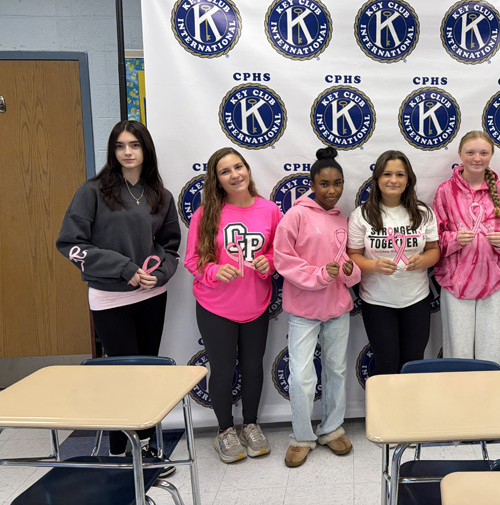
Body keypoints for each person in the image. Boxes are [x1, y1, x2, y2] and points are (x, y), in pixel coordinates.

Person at [56, 120, 181, 472]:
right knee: (121, 375)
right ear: (113, 151)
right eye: (120, 146)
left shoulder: (160, 194)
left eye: (135, 145)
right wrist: (124, 268)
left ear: (146, 150)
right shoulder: (92, 191)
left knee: (147, 373)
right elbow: (70, 244)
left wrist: (157, 275)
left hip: (151, 296)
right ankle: (119, 453)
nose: (128, 152)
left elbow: (170, 247)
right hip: (110, 296)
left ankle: (146, 448)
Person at [185, 147, 282, 464]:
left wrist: (269, 263)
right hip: (216, 306)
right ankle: (224, 431)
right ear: (217, 180)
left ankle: (251, 424)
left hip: (256, 304)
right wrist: (213, 270)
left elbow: (280, 253)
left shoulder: (269, 210)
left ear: (248, 170)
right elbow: (192, 261)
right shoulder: (206, 215)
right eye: (225, 171)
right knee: (224, 370)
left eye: (238, 166)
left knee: (253, 367)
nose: (234, 174)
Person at [273, 147, 361, 468]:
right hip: (303, 309)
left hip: (337, 308)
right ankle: (302, 435)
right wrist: (321, 274)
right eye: (324, 184)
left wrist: (352, 272)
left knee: (336, 369)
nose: (332, 190)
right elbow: (284, 260)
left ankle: (331, 428)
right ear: (312, 183)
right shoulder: (296, 215)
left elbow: (351, 261)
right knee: (300, 375)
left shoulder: (345, 219)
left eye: (337, 183)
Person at [432, 131, 500, 368]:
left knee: (491, 354)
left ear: (491, 155)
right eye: (470, 152)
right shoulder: (445, 191)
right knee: (458, 352)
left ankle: (491, 402)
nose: (477, 158)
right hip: (455, 282)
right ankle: (460, 402)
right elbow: (433, 241)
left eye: (484, 152)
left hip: (493, 282)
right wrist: (453, 239)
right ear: (460, 154)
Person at [347, 150, 440, 375]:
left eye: (400, 174)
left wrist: (423, 261)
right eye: (387, 174)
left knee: (413, 364)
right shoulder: (362, 215)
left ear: (408, 180)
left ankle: (410, 411)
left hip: (415, 299)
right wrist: (374, 266)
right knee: (386, 364)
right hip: (377, 302)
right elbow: (353, 256)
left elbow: (434, 251)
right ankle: (384, 411)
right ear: (377, 178)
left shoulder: (423, 212)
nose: (393, 180)